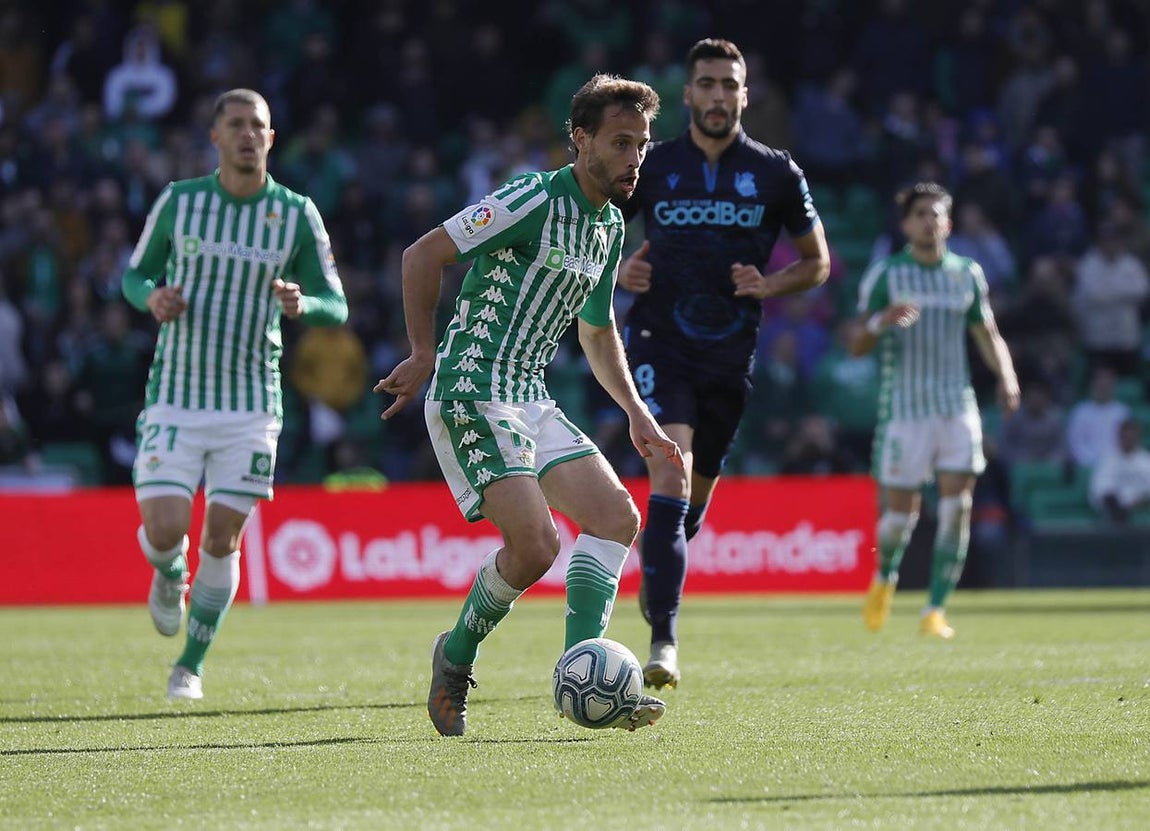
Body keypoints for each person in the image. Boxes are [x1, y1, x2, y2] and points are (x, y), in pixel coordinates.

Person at [375, 74, 680, 737]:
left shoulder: (609, 225)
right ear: (581, 139)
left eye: (643, 145)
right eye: (620, 142)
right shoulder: (532, 198)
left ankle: (584, 667)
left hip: (529, 395)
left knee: (614, 518)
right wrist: (423, 354)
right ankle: (454, 658)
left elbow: (597, 332)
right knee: (537, 545)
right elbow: (423, 254)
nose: (634, 158)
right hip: (470, 387)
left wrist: (636, 411)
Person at [615, 38, 830, 688]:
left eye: (727, 85)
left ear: (744, 94)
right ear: (688, 94)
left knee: (689, 502)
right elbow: (593, 226)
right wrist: (619, 269)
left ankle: (663, 570)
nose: (716, 95)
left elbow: (815, 262)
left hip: (730, 355)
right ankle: (664, 640)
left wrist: (770, 285)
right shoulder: (654, 164)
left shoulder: (775, 172)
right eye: (705, 83)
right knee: (669, 471)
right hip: (658, 339)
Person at [121, 88, 348, 700]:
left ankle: (189, 665)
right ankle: (170, 570)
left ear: (271, 139)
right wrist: (152, 298)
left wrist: (305, 304)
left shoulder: (296, 214)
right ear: (215, 136)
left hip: (251, 403)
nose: (248, 134)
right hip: (175, 393)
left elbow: (337, 303)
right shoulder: (182, 202)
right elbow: (134, 273)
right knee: (167, 530)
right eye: (236, 124)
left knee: (223, 537)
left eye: (259, 126)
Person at [852, 181, 1019, 639]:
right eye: (921, 214)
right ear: (906, 224)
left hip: (955, 404)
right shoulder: (887, 273)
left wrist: (1006, 377)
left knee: (957, 507)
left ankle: (936, 609)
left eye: (937, 214)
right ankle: (885, 576)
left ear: (949, 221)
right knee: (900, 517)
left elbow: (987, 332)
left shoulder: (966, 273)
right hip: (905, 409)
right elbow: (854, 342)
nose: (930, 221)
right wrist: (878, 322)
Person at [1089, 417, 1150, 525]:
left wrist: (1137, 502)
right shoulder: (1107, 460)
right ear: (1119, 436)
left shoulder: (1146, 460)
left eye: (1132, 436)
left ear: (1138, 437)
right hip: (1113, 513)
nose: (1128, 439)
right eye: (1125, 436)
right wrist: (1121, 503)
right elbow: (1099, 490)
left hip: (1142, 512)